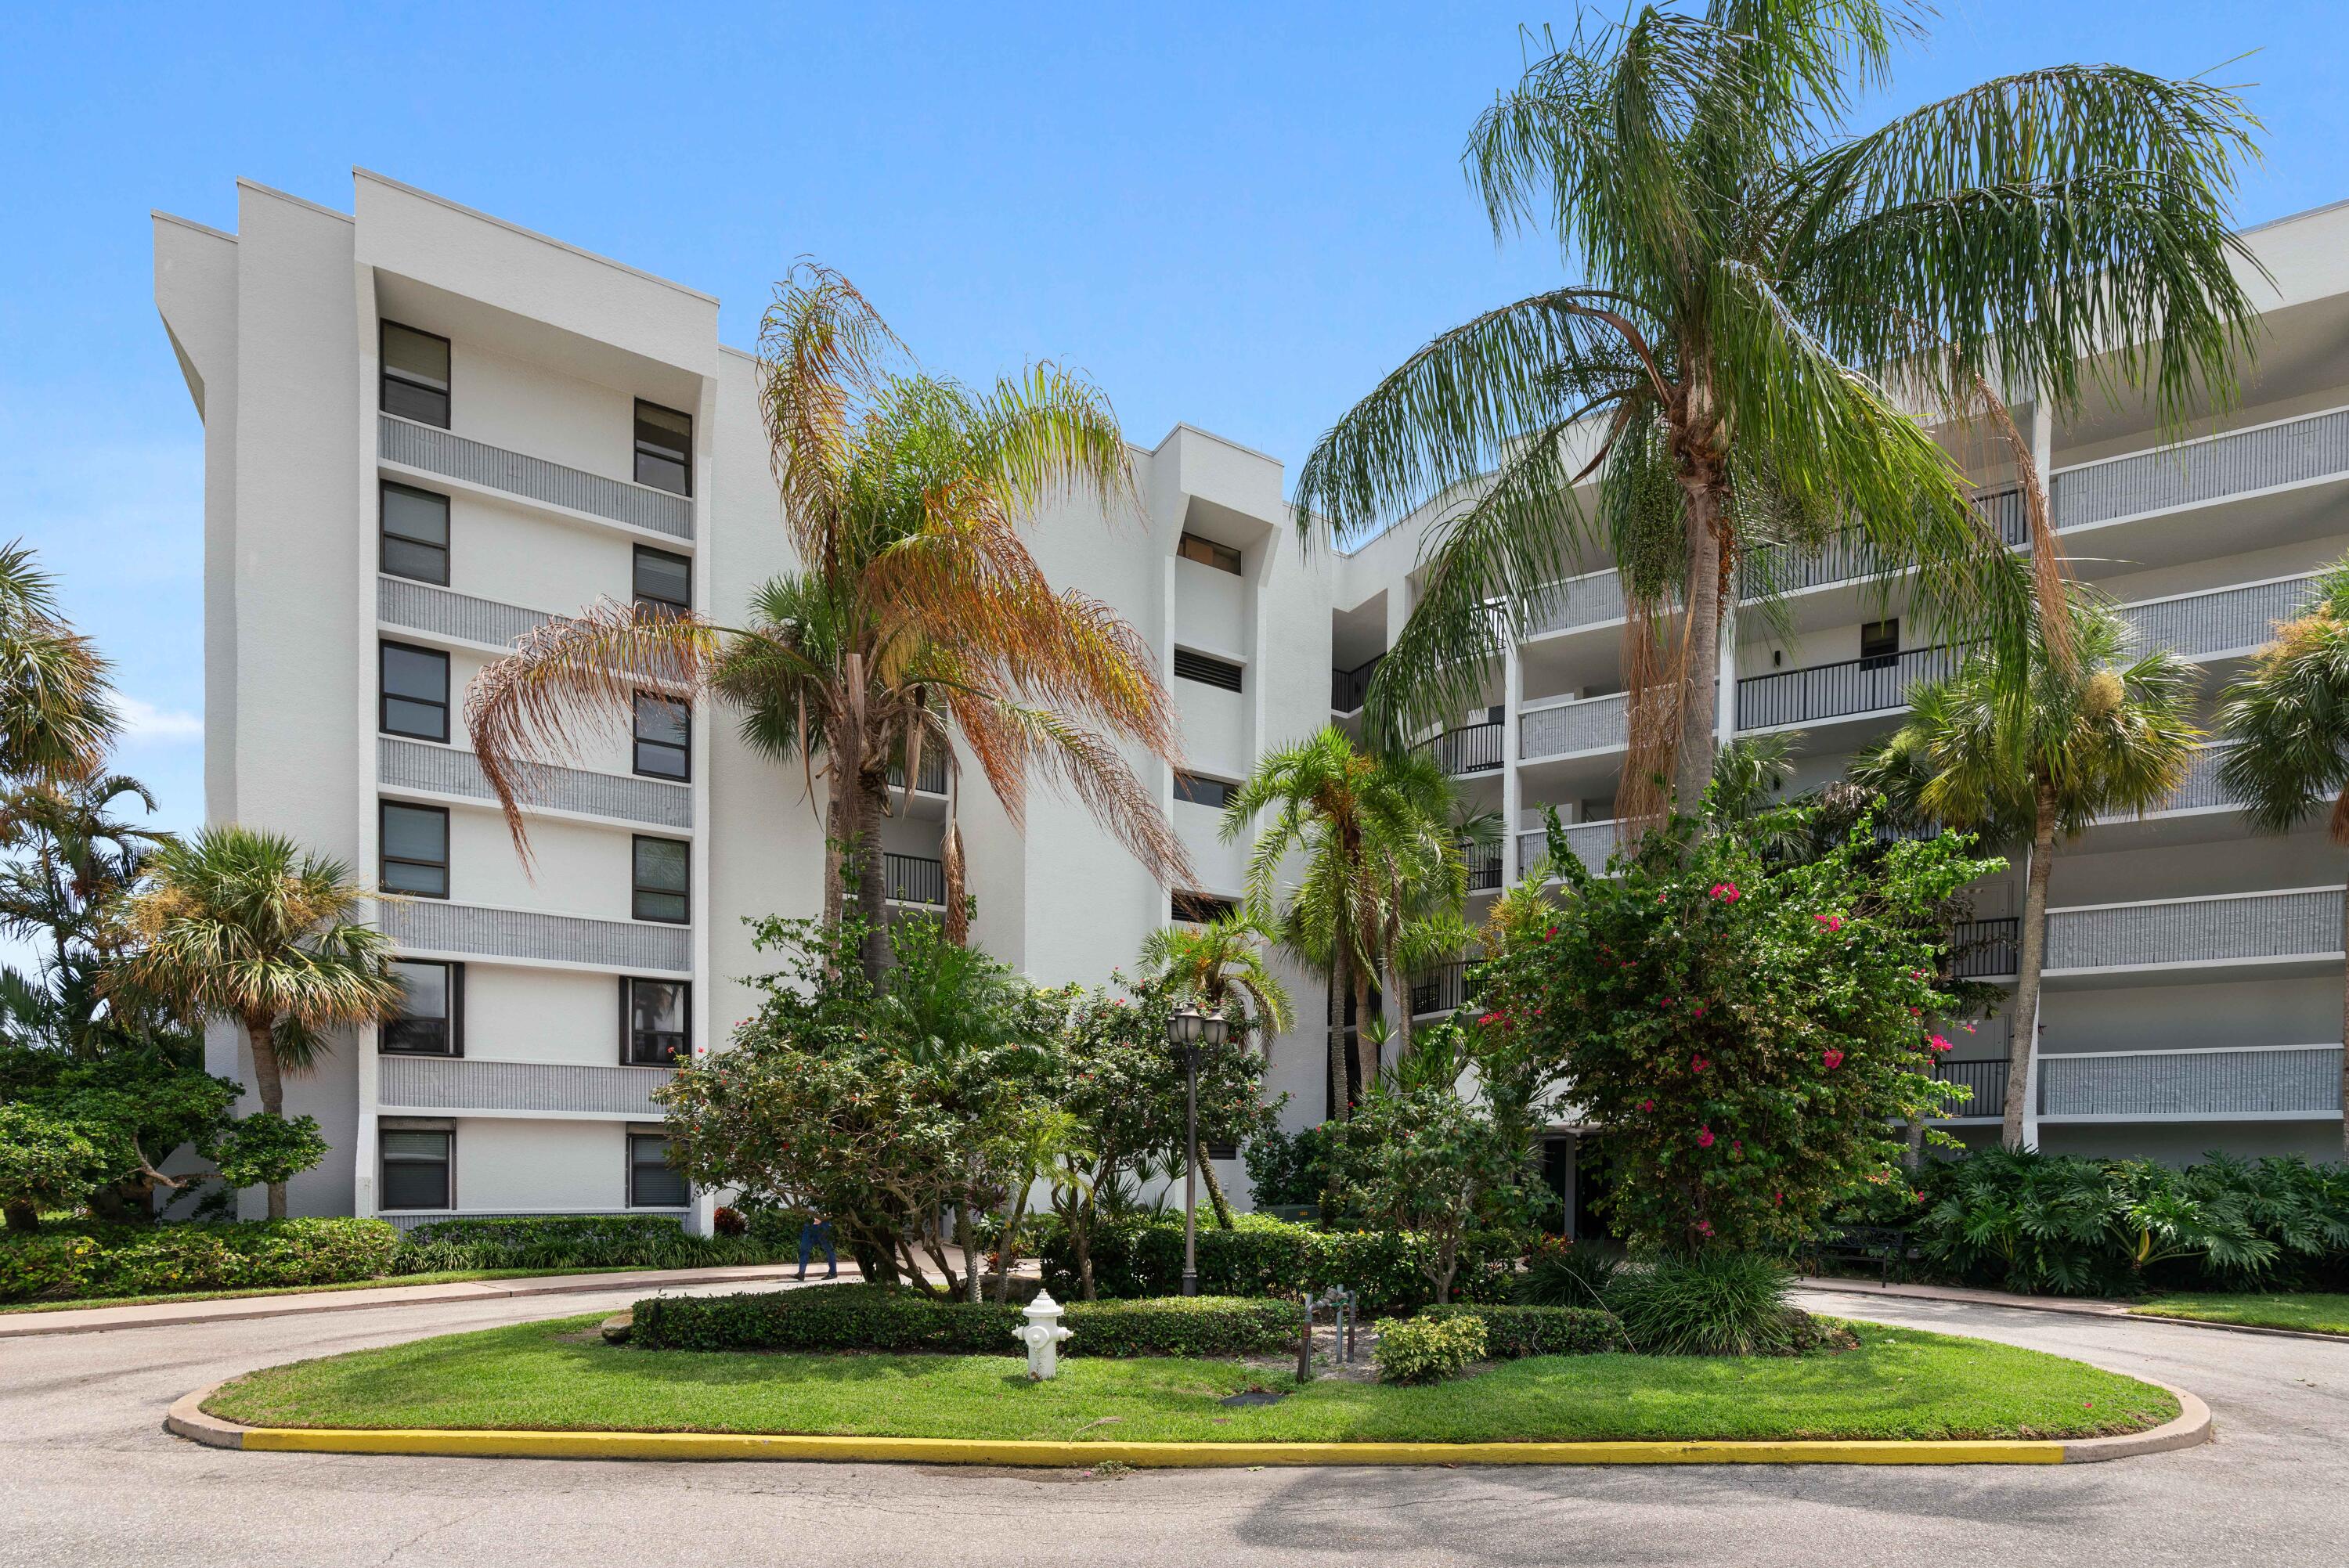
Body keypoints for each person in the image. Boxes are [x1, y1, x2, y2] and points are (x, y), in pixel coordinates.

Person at [796, 1213, 837, 1280]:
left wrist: (823, 1218)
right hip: (809, 1224)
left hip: (823, 1224)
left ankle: (833, 1272)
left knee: (829, 1249)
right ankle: (801, 1273)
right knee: (804, 1249)